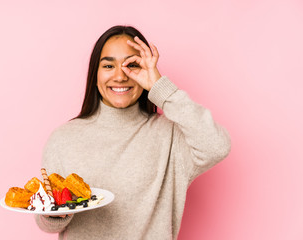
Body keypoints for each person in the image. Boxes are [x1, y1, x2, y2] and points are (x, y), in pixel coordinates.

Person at [34, 25, 231, 240]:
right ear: (95, 73)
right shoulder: (63, 139)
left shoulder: (171, 137)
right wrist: (57, 212)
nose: (120, 76)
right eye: (108, 65)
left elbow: (216, 146)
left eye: (132, 65)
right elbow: (47, 223)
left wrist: (159, 87)